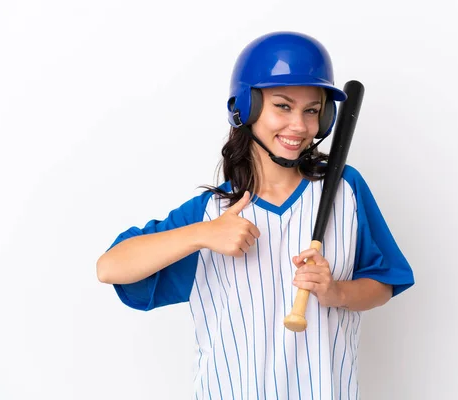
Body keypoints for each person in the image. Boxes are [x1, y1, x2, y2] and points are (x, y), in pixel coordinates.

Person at [97, 31, 414, 399]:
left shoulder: (345, 190)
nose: (299, 126)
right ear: (246, 109)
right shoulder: (214, 213)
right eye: (283, 106)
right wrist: (202, 234)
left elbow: (385, 282)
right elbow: (110, 268)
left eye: (312, 110)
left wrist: (336, 292)